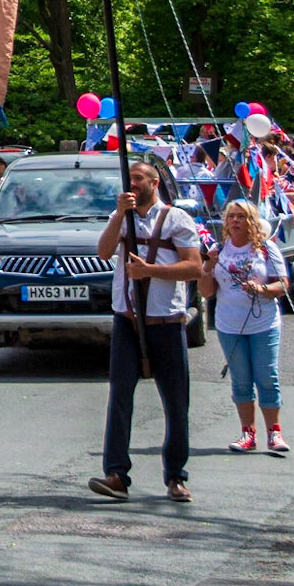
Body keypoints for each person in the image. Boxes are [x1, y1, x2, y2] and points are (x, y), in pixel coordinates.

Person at [89, 158, 205, 504]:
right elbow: (104, 251)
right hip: (127, 319)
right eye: (130, 179)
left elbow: (194, 267)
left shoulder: (176, 219)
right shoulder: (121, 217)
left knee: (175, 402)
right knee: (120, 396)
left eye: (139, 179)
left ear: (155, 183)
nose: (133, 184)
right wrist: (117, 216)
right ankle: (116, 474)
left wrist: (150, 270)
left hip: (165, 322)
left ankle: (175, 476)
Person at [199, 200, 291, 455]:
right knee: (241, 381)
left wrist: (262, 289)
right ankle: (247, 434)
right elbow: (206, 292)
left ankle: (275, 432)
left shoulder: (266, 249)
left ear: (252, 221)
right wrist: (208, 265)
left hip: (263, 324)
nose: (236, 221)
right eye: (232, 217)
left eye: (242, 217)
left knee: (266, 377)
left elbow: (283, 285)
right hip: (230, 326)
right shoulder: (219, 250)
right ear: (226, 222)